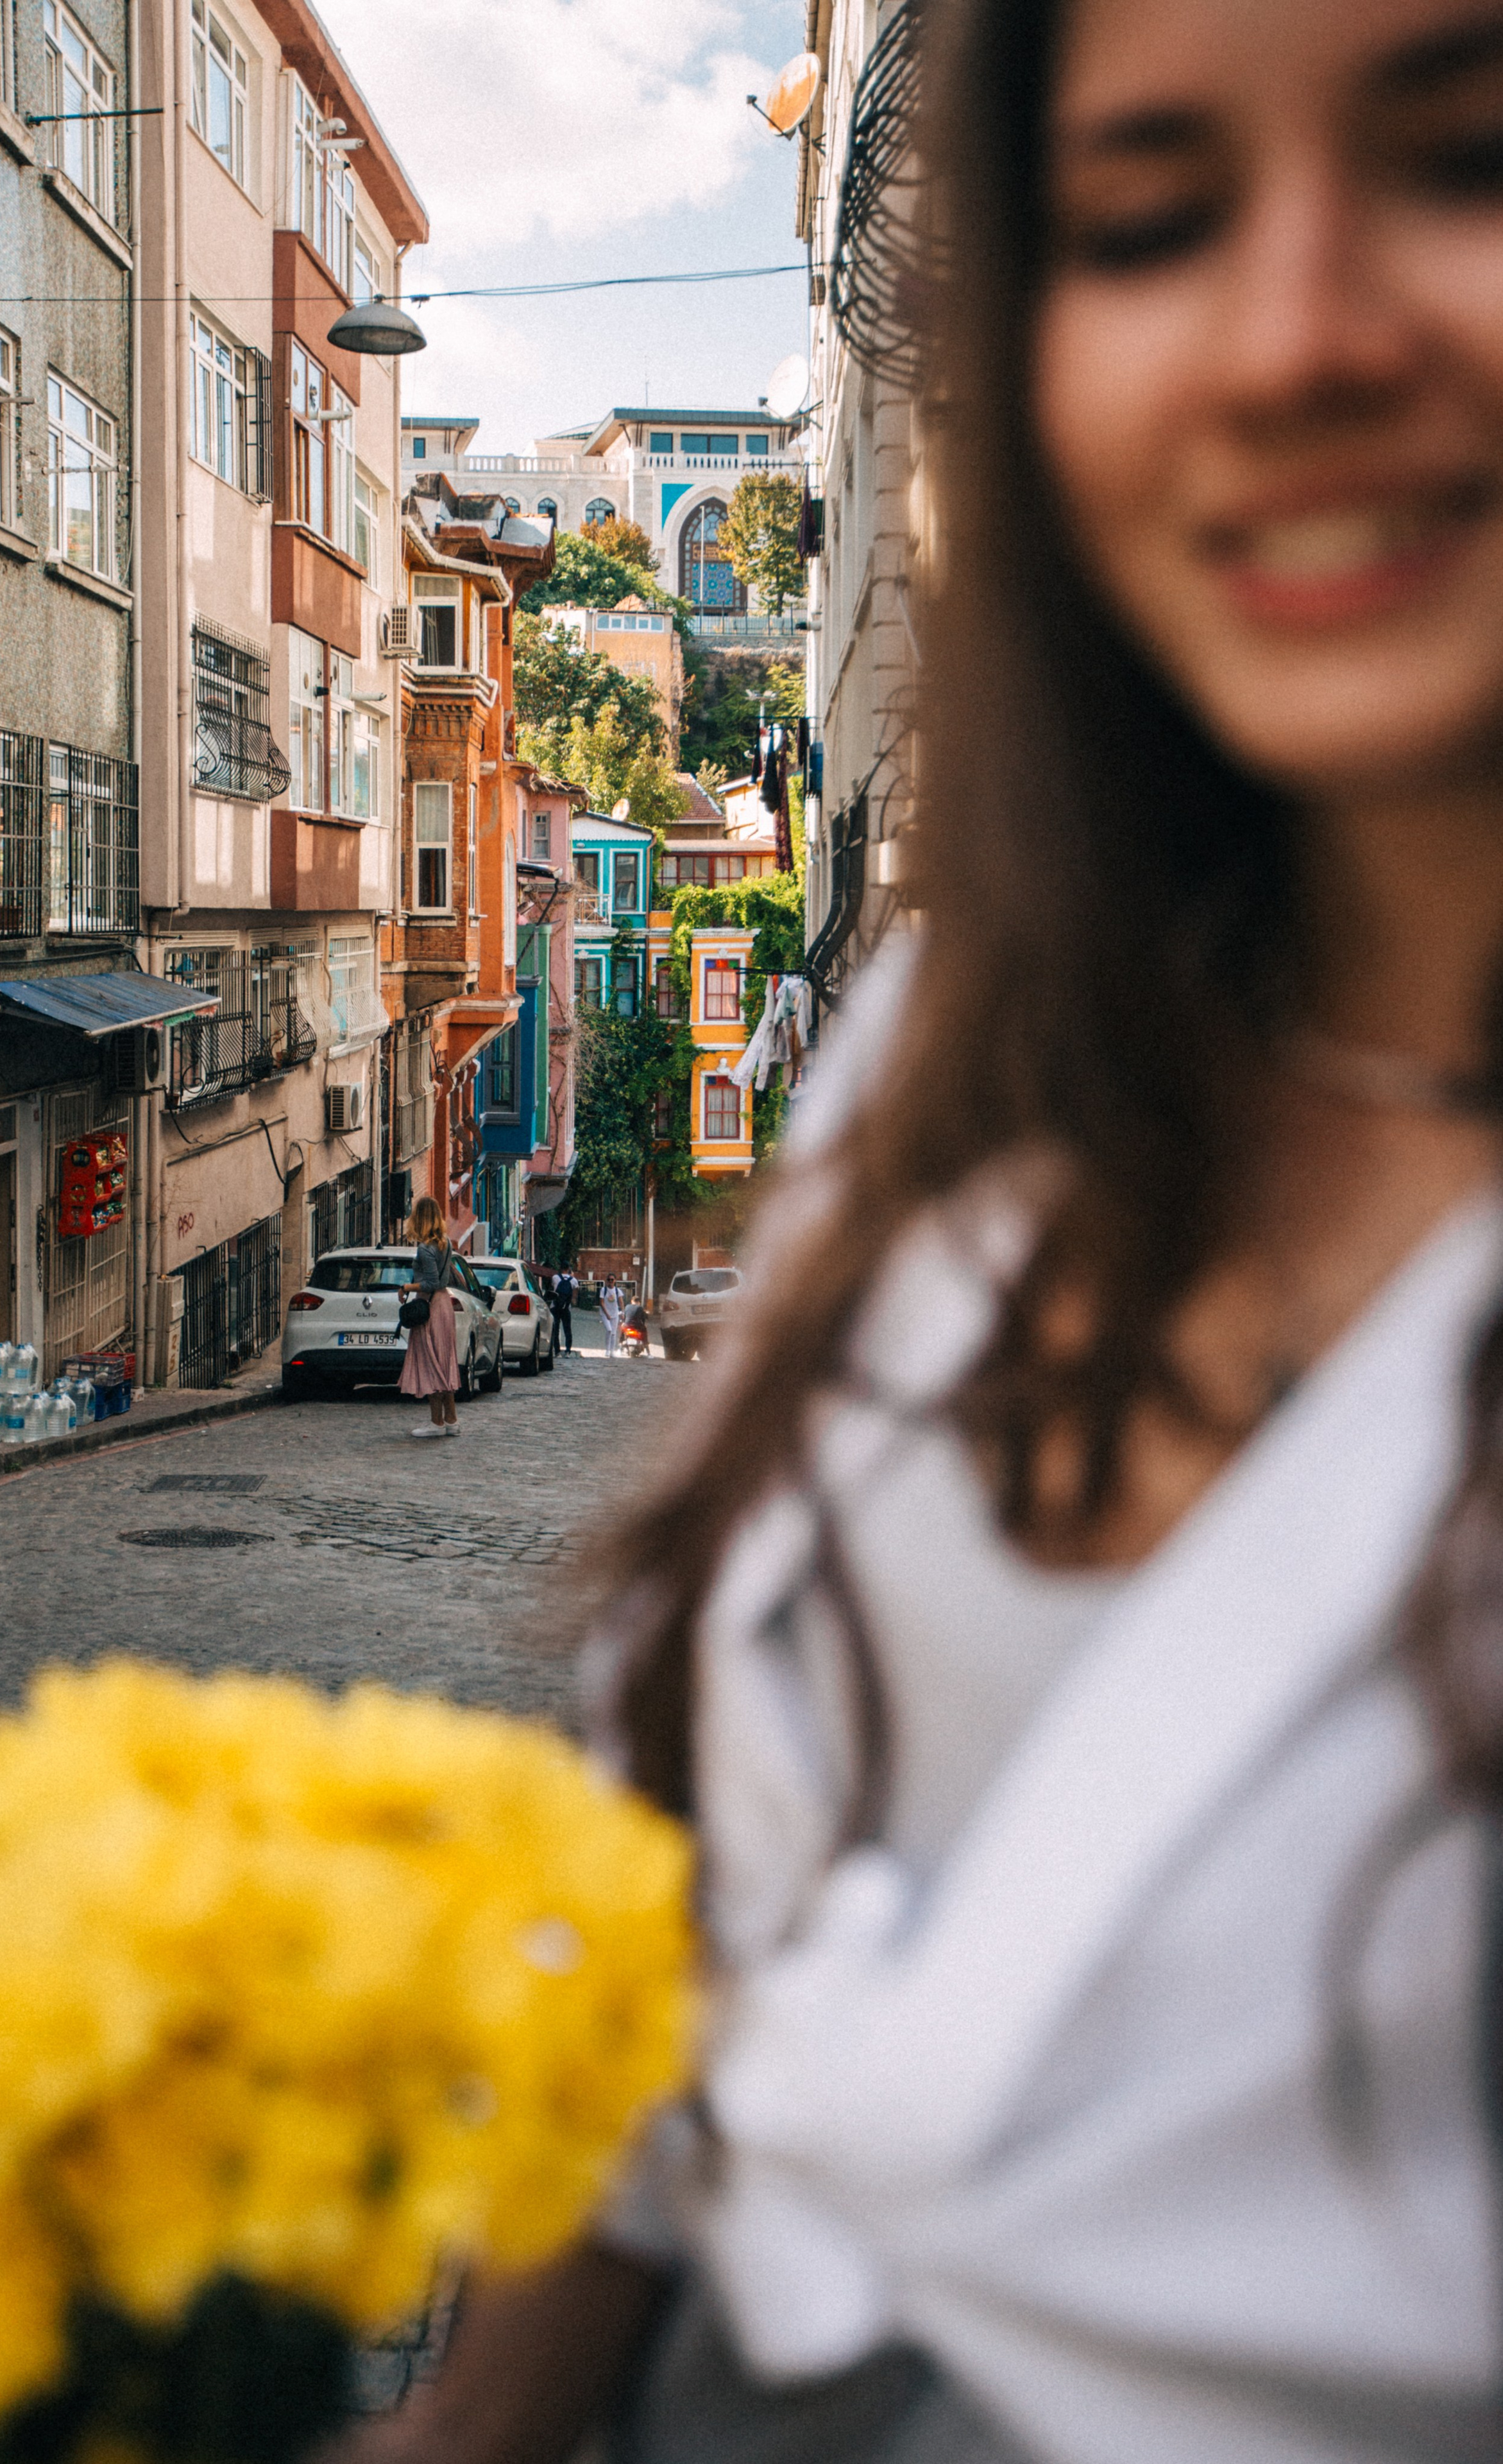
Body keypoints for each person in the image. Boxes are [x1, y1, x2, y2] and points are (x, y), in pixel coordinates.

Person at [339, 1, 1503, 2458]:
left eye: (1460, 149)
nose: (1292, 335)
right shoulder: (970, 1047)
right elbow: (672, 1923)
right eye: (1143, 216)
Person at [396, 1195, 459, 1439]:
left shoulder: (425, 1249)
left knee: (432, 1362)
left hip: (430, 1306)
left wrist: (406, 1287)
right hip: (444, 1305)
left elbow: (431, 1282)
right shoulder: (446, 1243)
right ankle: (452, 1419)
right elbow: (441, 1281)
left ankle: (437, 1422)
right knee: (444, 1361)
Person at [550, 1268, 577, 1356]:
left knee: (555, 1330)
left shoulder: (555, 1277)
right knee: (567, 1330)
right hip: (566, 1308)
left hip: (555, 1307)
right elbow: (575, 1294)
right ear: (569, 1269)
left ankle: (557, 1352)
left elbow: (552, 1288)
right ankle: (568, 1351)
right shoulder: (573, 1280)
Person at [599, 1278, 622, 1358]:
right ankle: (607, 1350)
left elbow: (621, 1302)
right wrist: (607, 1314)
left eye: (612, 1280)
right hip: (605, 1314)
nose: (611, 1282)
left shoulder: (617, 1291)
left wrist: (622, 1312)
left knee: (614, 1333)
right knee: (609, 1330)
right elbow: (601, 1302)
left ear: (615, 1281)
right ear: (607, 1281)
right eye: (609, 1280)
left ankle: (612, 1351)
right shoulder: (603, 1290)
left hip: (615, 1314)